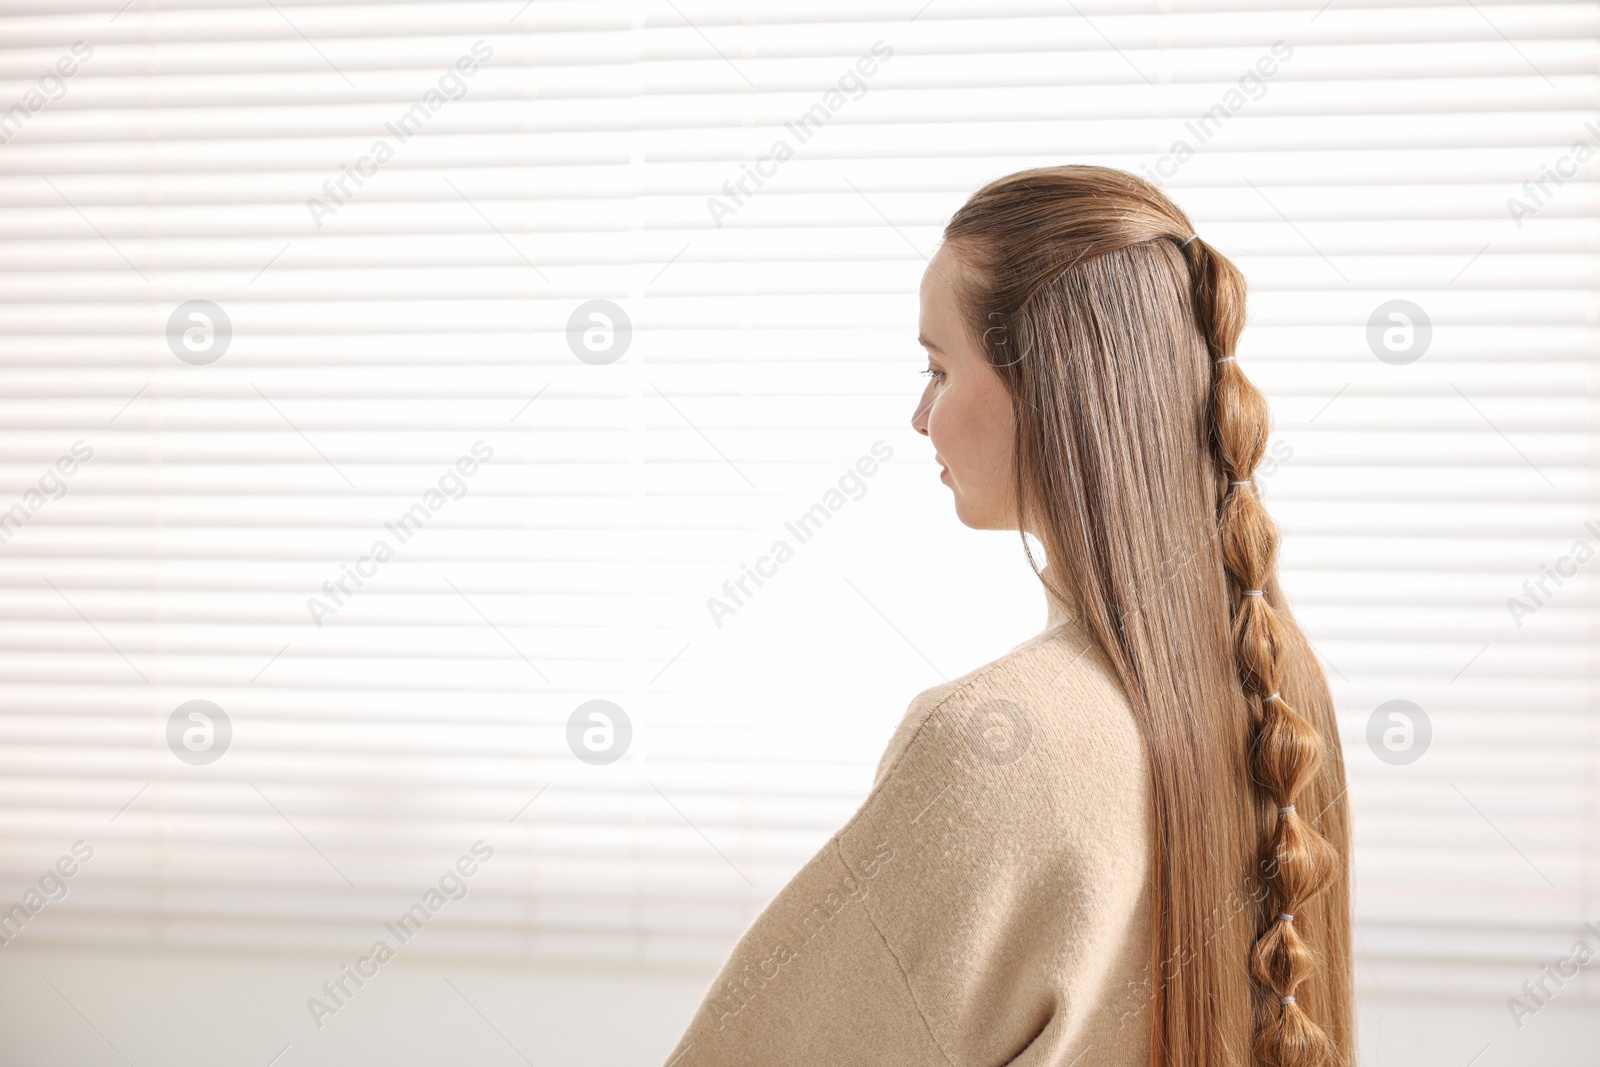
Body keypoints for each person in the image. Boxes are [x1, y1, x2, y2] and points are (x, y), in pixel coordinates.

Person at [660, 165, 1353, 1067]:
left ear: (1052, 389)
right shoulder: (1282, 690)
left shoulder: (992, 742)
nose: (919, 415)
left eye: (938, 368)